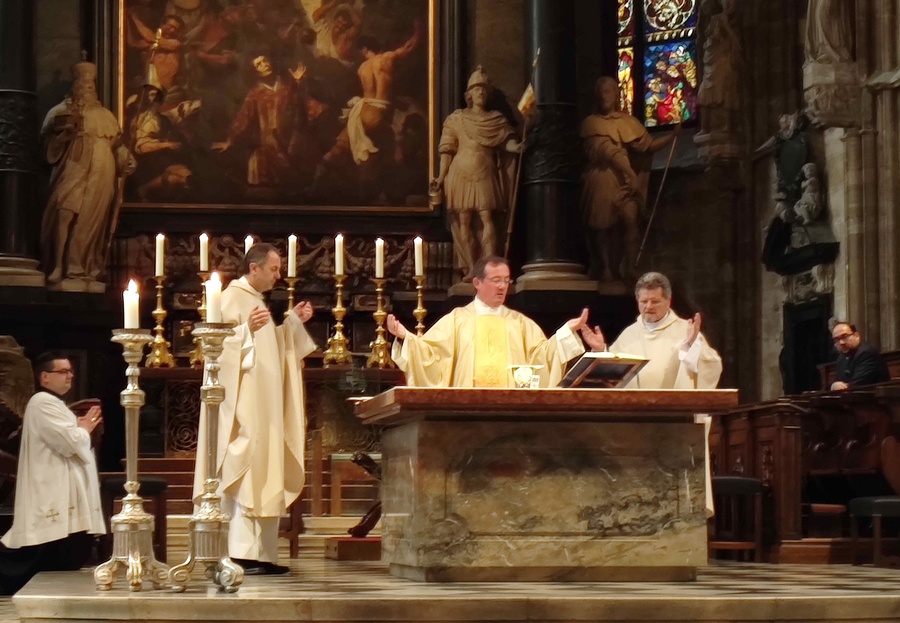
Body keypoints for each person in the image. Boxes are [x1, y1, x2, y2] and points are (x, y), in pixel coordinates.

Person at [192, 243, 316, 575]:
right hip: (243, 408)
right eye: (275, 269)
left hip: (266, 406)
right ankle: (239, 552)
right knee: (246, 467)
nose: (280, 275)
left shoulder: (256, 301)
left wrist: (292, 323)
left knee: (267, 470)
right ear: (254, 269)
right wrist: (246, 330)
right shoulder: (231, 297)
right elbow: (212, 348)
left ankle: (263, 554)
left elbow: (271, 346)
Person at [592, 272, 722, 516]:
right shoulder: (630, 334)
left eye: (655, 301)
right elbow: (615, 378)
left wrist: (692, 347)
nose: (648, 307)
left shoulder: (686, 330)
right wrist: (603, 352)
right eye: (643, 302)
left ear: (669, 301)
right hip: (636, 425)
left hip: (674, 424)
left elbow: (710, 368)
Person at [386, 255, 606, 388]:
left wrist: (565, 332)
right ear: (477, 283)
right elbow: (429, 355)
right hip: (465, 410)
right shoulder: (457, 320)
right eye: (495, 280)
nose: (502, 287)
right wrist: (406, 337)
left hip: (510, 412)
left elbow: (542, 358)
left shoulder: (520, 324)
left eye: (506, 280)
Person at [0, 352, 105, 595]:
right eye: (63, 371)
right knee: (31, 557)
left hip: (61, 486)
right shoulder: (42, 402)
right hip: (51, 490)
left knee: (58, 553)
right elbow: (69, 442)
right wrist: (84, 429)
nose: (70, 376)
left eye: (71, 371)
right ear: (45, 377)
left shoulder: (54, 404)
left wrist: (79, 429)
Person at [40, 58, 135, 292]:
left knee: (93, 219)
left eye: (91, 85)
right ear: (75, 86)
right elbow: (48, 145)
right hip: (74, 166)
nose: (87, 88)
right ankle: (58, 265)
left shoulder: (106, 116)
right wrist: (62, 137)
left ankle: (80, 267)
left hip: (102, 171)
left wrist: (126, 159)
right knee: (64, 210)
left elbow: (117, 146)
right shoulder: (60, 112)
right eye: (83, 84)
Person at [580, 77, 678, 282]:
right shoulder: (591, 123)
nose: (604, 96)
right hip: (602, 179)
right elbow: (607, 152)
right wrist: (632, 174)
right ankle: (606, 268)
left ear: (616, 94)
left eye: (608, 91)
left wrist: (671, 137)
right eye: (602, 92)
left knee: (631, 218)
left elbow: (646, 146)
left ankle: (631, 266)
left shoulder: (627, 122)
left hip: (624, 182)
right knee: (603, 226)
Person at [433, 67, 521, 282]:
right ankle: (472, 268)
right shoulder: (456, 119)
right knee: (464, 220)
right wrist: (440, 177)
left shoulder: (496, 119)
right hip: (460, 172)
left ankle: (490, 267)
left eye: (483, 90)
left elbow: (506, 141)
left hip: (485, 172)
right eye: (476, 90)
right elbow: (447, 150)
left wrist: (515, 147)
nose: (480, 93)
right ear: (468, 95)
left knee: (487, 217)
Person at [212, 56, 323, 188]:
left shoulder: (288, 86)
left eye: (265, 61)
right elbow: (244, 118)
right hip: (268, 149)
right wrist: (230, 140)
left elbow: (304, 105)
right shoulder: (255, 94)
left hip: (292, 144)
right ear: (254, 71)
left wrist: (299, 83)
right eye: (258, 64)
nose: (264, 65)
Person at [830, 322, 890, 391]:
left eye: (845, 337)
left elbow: (856, 386)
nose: (841, 343)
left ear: (856, 336)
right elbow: (838, 381)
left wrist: (839, 387)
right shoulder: (841, 358)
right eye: (836, 339)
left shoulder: (867, 353)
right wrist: (834, 386)